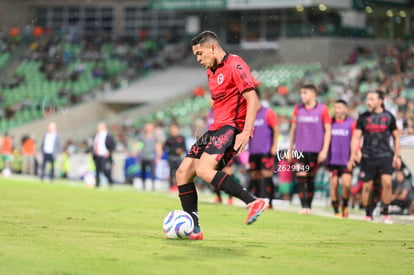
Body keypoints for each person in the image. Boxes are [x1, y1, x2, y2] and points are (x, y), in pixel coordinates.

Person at [175, 30, 267, 240]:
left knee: (204, 169)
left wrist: (246, 131)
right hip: (216, 128)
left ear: (213, 48)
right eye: (195, 55)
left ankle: (253, 201)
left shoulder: (235, 65)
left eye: (200, 54)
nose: (198, 59)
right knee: (182, 174)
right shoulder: (211, 71)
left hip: (231, 128)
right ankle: (194, 229)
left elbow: (253, 100)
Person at [348, 89, 401, 224]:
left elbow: (396, 137)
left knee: (387, 184)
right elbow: (356, 137)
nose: (368, 102)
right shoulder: (363, 117)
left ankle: (385, 213)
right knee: (367, 186)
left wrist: (397, 155)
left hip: (385, 155)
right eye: (368, 99)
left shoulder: (389, 117)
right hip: (368, 156)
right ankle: (368, 214)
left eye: (372, 99)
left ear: (380, 101)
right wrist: (355, 152)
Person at [288, 83, 332, 214]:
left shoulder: (323, 109)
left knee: (310, 177)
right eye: (301, 93)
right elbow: (293, 130)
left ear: (313, 94)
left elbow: (328, 130)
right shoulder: (297, 109)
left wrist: (324, 150)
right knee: (301, 175)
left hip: (315, 150)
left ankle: (309, 206)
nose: (302, 96)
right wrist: (290, 149)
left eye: (305, 93)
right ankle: (303, 206)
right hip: (300, 149)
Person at [326, 100, 355, 218]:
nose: (336, 110)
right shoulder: (329, 123)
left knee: (346, 184)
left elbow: (355, 140)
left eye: (339, 107)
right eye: (335, 108)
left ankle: (345, 205)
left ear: (345, 109)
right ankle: (336, 211)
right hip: (332, 160)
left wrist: (353, 156)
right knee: (334, 184)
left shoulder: (351, 123)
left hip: (346, 160)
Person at [247, 101, 279, 209]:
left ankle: (269, 201)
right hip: (253, 150)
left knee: (267, 175)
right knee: (255, 176)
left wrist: (274, 145)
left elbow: (276, 128)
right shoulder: (249, 114)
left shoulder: (268, 113)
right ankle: (257, 200)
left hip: (266, 151)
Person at [139, 122, 162, 191]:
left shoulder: (155, 137)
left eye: (150, 126)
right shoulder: (142, 136)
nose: (148, 128)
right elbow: (139, 145)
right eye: (147, 126)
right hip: (143, 156)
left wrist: (158, 156)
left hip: (151, 157)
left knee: (152, 172)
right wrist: (137, 152)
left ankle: (153, 186)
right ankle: (143, 185)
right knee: (143, 171)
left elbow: (158, 146)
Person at [164, 123, 186, 192]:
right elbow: (164, 147)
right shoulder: (169, 139)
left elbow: (184, 147)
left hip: (179, 158)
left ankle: (179, 187)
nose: (173, 130)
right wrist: (173, 150)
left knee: (179, 173)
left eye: (174, 129)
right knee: (171, 173)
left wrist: (181, 150)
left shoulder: (181, 138)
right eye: (172, 129)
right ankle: (171, 187)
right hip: (171, 157)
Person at [92, 122, 116, 188]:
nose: (98, 128)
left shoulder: (108, 135)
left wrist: (109, 152)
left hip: (104, 155)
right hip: (97, 155)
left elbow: (113, 145)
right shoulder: (96, 135)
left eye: (99, 127)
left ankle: (110, 181)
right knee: (97, 170)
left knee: (105, 169)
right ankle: (97, 183)